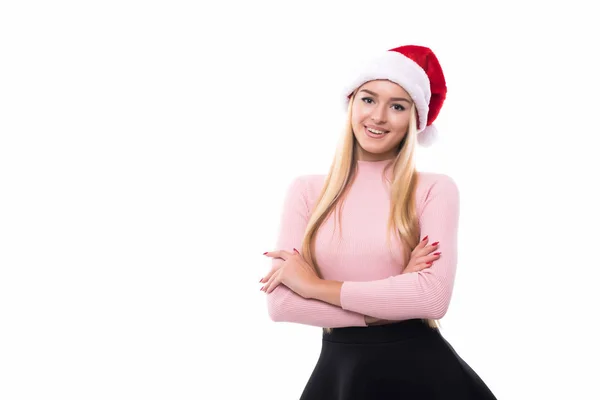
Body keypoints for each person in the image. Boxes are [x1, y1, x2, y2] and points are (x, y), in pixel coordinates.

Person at [259, 45, 497, 399]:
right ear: (351, 101)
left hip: (428, 379)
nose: (379, 116)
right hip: (338, 377)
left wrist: (316, 287)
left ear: (414, 119)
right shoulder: (307, 191)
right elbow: (282, 305)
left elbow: (431, 299)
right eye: (369, 99)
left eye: (398, 106)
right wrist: (392, 298)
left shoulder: (434, 189)